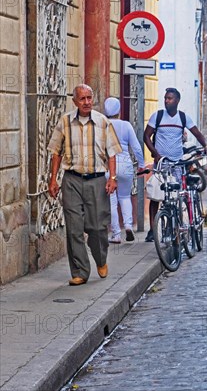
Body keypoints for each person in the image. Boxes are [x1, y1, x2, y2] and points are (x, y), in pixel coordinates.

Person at [47, 84, 122, 286]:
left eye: (89, 98)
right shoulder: (65, 122)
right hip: (71, 179)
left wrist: (112, 178)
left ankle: (100, 258)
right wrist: (53, 179)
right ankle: (80, 271)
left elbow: (112, 152)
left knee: (97, 227)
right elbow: (56, 152)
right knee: (74, 228)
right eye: (83, 99)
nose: (87, 102)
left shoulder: (102, 122)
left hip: (97, 180)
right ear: (75, 101)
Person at [143, 87, 207, 242]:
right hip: (161, 165)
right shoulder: (157, 116)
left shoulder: (183, 118)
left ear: (177, 101)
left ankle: (172, 228)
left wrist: (206, 146)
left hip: (178, 165)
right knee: (155, 196)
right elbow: (146, 136)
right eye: (166, 98)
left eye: (170, 98)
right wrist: (155, 154)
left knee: (176, 198)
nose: (167, 101)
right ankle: (153, 230)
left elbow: (197, 133)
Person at [103, 97, 146, 244]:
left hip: (109, 165)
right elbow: (136, 147)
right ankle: (128, 225)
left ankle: (116, 234)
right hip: (126, 164)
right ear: (119, 111)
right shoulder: (126, 125)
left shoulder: (103, 125)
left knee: (112, 200)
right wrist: (141, 164)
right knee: (125, 197)